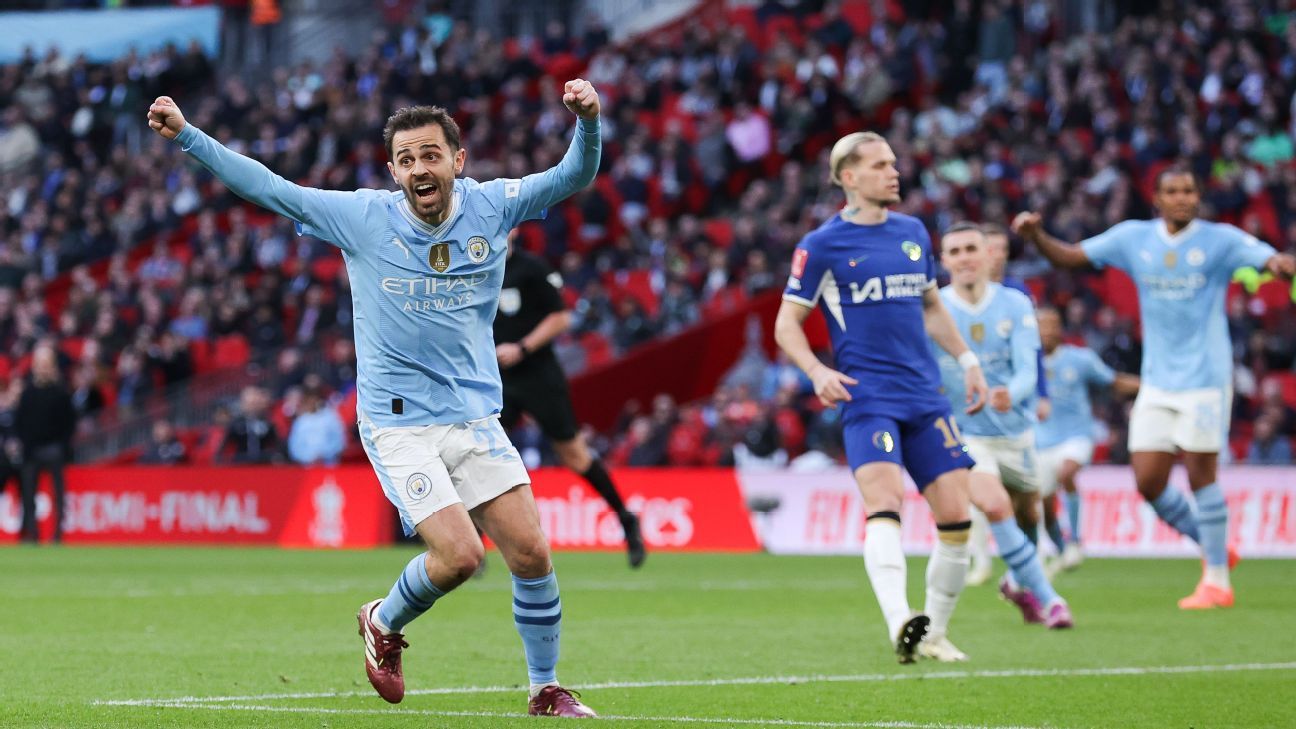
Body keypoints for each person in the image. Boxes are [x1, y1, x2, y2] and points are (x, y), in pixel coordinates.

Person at [147, 78, 604, 716]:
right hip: (398, 423)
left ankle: (545, 688)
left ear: (457, 161)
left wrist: (588, 120)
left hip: (473, 417)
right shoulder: (364, 217)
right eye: (408, 159)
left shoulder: (494, 206)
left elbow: (573, 174)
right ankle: (382, 621)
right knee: (461, 556)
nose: (421, 168)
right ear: (393, 171)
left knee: (531, 552)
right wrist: (190, 138)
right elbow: (271, 189)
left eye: (432, 155)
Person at [1012, 167, 1296, 609]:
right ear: (1157, 199)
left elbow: (1266, 258)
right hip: (1158, 381)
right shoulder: (1133, 238)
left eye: (1189, 190)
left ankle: (1216, 579)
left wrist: (1278, 264)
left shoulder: (1219, 240)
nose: (1181, 198)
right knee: (1147, 480)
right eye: (1172, 191)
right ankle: (1213, 542)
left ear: (1198, 197)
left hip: (1205, 378)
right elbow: (1069, 257)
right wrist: (1036, 236)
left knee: (1201, 473)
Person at [773, 132, 989, 664]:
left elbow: (932, 307)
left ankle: (933, 632)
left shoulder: (913, 232)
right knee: (885, 501)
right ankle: (899, 619)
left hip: (925, 396)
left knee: (957, 517)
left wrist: (968, 362)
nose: (894, 172)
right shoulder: (822, 245)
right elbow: (786, 325)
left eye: (893, 163)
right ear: (849, 177)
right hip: (868, 396)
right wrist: (816, 370)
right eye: (880, 165)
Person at [933, 223, 1074, 642]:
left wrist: (1008, 394)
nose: (964, 258)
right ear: (944, 261)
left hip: (1015, 432)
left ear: (988, 254)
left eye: (971, 248)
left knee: (1030, 512)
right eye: (954, 251)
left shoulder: (1015, 303)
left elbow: (1029, 370)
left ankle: (1016, 581)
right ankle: (1051, 599)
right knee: (995, 506)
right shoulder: (934, 308)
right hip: (964, 433)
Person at [495, 232, 645, 567]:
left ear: (516, 230)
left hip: (537, 374)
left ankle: (625, 518)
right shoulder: (477, 269)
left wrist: (522, 348)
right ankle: (472, 542)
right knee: (475, 453)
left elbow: (561, 318)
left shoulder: (531, 269)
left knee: (574, 455)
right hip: (495, 378)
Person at [966, 222, 1052, 584]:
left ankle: (1022, 573)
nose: (996, 255)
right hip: (967, 421)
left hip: (1012, 418)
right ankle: (979, 561)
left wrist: (1036, 393)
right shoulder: (946, 300)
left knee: (1027, 506)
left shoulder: (1017, 296)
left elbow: (1030, 357)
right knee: (983, 497)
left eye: (1002, 248)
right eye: (990, 248)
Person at [1035, 306, 1139, 573]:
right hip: (1040, 442)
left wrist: (1149, 386)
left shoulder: (1079, 359)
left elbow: (1113, 381)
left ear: (1060, 329)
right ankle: (1061, 550)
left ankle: (1076, 541)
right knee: (1044, 504)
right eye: (1041, 326)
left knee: (1067, 471)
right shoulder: (1025, 364)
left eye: (1051, 325)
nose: (1047, 331)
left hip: (1076, 435)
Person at [15, 345, 77, 544]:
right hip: (31, 451)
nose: (42, 368)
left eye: (46, 364)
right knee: (28, 495)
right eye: (39, 364)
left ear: (52, 367)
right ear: (34, 366)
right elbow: (20, 422)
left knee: (58, 495)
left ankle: (58, 534)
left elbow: (70, 423)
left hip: (54, 449)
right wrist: (24, 444)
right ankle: (32, 534)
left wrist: (63, 446)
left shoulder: (61, 393)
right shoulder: (27, 393)